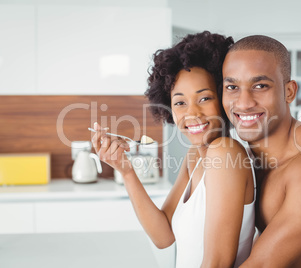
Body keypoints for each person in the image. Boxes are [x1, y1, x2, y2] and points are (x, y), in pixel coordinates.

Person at [91, 31, 256, 268]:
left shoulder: (225, 151)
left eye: (204, 98)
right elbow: (163, 236)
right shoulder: (196, 158)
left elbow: (218, 262)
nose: (192, 114)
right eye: (180, 102)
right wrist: (125, 170)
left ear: (223, 97)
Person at [221, 35, 301, 268]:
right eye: (232, 87)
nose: (244, 102)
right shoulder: (244, 157)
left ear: (289, 91)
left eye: (260, 86)